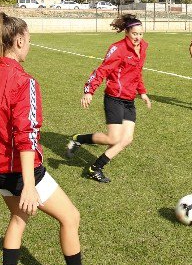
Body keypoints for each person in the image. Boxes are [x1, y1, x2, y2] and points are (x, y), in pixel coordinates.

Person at [0, 12, 114, 265]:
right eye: (28, 40)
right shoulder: (23, 81)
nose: (29, 44)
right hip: (19, 172)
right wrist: (29, 184)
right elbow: (26, 136)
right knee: (70, 217)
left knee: (18, 218)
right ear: (18, 41)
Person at [65, 14, 151, 183]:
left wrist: (142, 92)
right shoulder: (118, 49)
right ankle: (79, 139)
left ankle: (95, 168)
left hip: (129, 100)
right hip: (114, 98)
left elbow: (137, 73)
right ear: (127, 32)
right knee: (113, 138)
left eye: (141, 34)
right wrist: (89, 91)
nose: (138, 37)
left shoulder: (143, 48)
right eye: (134, 34)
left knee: (126, 139)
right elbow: (102, 70)